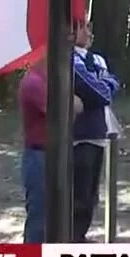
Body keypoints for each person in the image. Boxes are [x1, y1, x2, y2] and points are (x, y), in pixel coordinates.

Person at [17, 57, 84, 242]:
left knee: (56, 215)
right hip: (38, 155)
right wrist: (69, 103)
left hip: (54, 154)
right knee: (39, 217)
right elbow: (62, 109)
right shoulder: (34, 82)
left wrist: (70, 103)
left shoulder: (49, 80)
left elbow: (77, 105)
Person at [70, 21, 121, 240]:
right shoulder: (69, 59)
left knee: (92, 193)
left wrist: (102, 84)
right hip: (80, 134)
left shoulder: (97, 59)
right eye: (85, 28)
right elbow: (97, 92)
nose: (90, 33)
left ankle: (81, 234)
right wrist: (101, 85)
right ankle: (73, 237)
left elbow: (111, 85)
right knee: (79, 192)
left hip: (99, 130)